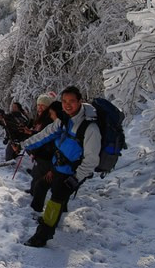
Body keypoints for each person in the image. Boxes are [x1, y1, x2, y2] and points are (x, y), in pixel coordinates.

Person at [19, 86, 101, 247]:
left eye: (71, 101)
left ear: (80, 101)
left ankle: (42, 236)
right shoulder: (64, 120)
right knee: (42, 185)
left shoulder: (90, 128)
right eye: (64, 101)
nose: (67, 105)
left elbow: (92, 160)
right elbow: (45, 134)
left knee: (55, 201)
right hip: (57, 166)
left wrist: (75, 179)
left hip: (71, 173)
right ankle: (52, 218)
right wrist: (24, 144)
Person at [22, 94, 57, 195]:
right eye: (38, 105)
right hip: (40, 153)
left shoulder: (49, 119)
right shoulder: (41, 118)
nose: (40, 108)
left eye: (43, 105)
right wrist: (30, 132)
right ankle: (34, 191)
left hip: (46, 154)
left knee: (39, 176)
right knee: (36, 174)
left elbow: (45, 136)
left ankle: (36, 195)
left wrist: (31, 134)